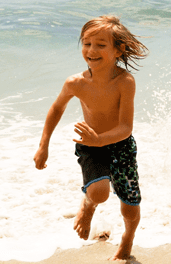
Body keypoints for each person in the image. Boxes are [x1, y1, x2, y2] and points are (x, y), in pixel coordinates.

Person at [34, 16, 148, 261]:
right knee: (99, 193)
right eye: (86, 43)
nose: (91, 50)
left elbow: (126, 127)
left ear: (119, 50)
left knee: (130, 206)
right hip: (90, 145)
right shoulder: (75, 83)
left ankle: (127, 239)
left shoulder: (124, 82)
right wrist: (44, 145)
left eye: (100, 45)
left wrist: (101, 139)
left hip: (120, 145)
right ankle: (88, 205)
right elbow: (56, 109)